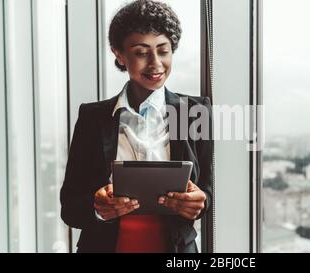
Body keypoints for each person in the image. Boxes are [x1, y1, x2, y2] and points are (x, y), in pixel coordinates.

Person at [60, 0, 213, 253]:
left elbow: (206, 190)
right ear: (119, 53)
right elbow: (70, 208)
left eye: (163, 50)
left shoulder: (196, 112)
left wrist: (200, 203)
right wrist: (97, 209)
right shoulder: (92, 117)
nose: (155, 64)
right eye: (141, 52)